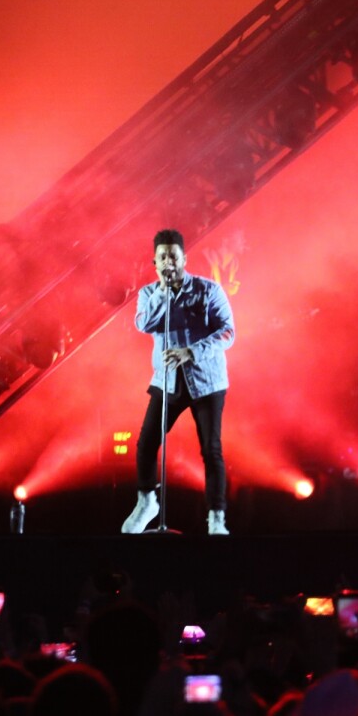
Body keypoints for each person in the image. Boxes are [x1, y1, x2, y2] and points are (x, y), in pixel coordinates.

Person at [121, 229, 236, 535]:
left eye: (173, 255)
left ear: (184, 258)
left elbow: (228, 332)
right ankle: (147, 502)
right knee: (146, 442)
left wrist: (192, 352)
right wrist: (163, 290)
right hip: (167, 380)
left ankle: (216, 518)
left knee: (211, 449)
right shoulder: (148, 294)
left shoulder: (209, 290)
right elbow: (144, 323)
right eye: (162, 257)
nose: (168, 261)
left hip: (207, 381)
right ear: (154, 262)